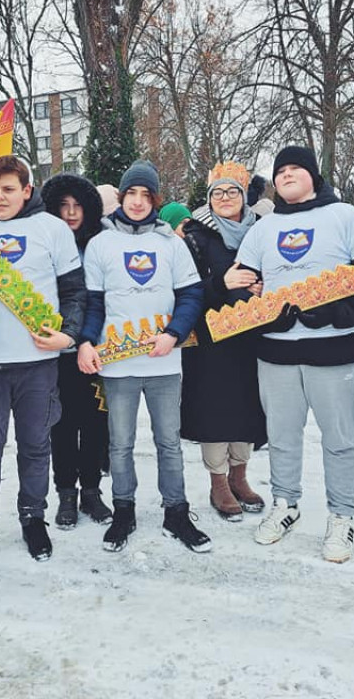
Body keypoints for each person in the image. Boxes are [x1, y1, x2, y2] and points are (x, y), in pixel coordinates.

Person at [235, 146, 354, 562]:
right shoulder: (263, 228)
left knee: (339, 439)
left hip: (334, 349)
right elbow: (243, 282)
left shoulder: (344, 217)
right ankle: (285, 504)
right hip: (276, 351)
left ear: (312, 176)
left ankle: (341, 515)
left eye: (295, 169)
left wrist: (335, 313)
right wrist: (261, 308)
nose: (286, 175)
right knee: (282, 437)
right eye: (280, 171)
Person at [0, 155, 85, 569]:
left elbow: (74, 292)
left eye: (8, 189)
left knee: (35, 446)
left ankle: (33, 517)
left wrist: (69, 334)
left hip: (37, 362)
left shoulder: (52, 229)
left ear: (26, 190)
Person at [77, 160, 208, 553]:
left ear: (155, 199)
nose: (137, 202)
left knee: (169, 440)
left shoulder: (171, 243)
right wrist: (86, 340)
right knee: (120, 443)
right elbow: (94, 303)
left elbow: (190, 295)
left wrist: (174, 333)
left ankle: (176, 512)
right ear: (121, 196)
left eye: (145, 194)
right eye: (130, 193)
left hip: (164, 362)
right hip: (118, 365)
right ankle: (123, 510)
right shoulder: (101, 243)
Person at [180, 163, 267, 521]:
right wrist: (221, 284)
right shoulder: (194, 236)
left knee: (248, 404)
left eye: (232, 192)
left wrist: (265, 287)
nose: (225, 198)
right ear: (209, 198)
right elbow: (185, 288)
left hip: (250, 335)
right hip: (211, 337)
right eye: (218, 192)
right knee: (215, 408)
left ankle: (240, 476)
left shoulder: (261, 231)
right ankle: (218, 480)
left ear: (245, 196)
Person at [40, 172, 114, 530]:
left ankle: (91, 491)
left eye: (77, 206)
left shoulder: (99, 245)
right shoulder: (44, 246)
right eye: (63, 207)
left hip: (95, 349)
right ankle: (66, 492)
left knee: (96, 422)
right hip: (55, 353)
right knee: (62, 425)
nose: (70, 214)